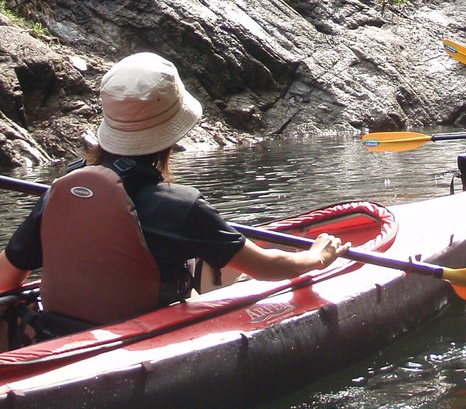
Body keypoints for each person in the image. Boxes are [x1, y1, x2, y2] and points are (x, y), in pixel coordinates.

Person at [0, 53, 346, 325]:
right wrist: (317, 256)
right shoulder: (180, 207)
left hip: (55, 332)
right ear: (171, 136)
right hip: (136, 334)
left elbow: (6, 278)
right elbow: (265, 267)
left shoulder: (59, 193)